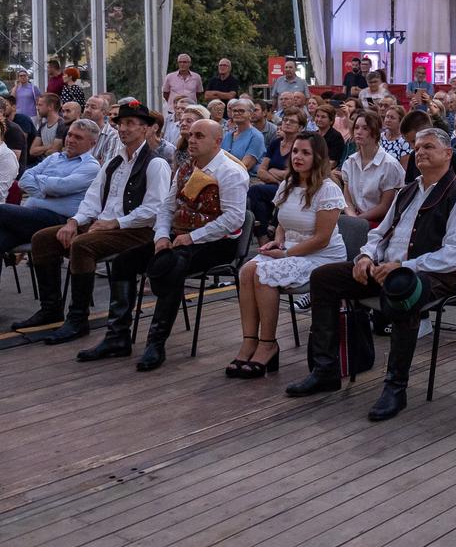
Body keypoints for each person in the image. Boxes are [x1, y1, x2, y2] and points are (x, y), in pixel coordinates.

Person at [285, 127, 456, 421]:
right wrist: (365, 257)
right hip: (386, 269)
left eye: (429, 147)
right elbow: (380, 234)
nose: (420, 152)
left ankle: (395, 387)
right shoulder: (409, 190)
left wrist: (403, 266)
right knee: (324, 277)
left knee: (402, 291)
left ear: (448, 153)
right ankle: (326, 369)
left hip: (431, 276)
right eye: (417, 147)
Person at [25, 102, 170, 346]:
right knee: (43, 238)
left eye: (131, 124)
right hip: (104, 225)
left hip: (138, 231)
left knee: (82, 245)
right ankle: (51, 309)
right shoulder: (114, 161)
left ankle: (78, 318)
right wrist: (74, 221)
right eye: (121, 123)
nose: (123, 128)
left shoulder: (156, 163)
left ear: (146, 129)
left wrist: (115, 223)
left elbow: (155, 209)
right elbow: (92, 198)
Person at [131, 119, 249, 372]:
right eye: (191, 135)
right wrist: (161, 236)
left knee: (172, 266)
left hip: (218, 243)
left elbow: (234, 219)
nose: (191, 140)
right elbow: (167, 206)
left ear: (217, 142)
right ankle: (116, 335)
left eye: (199, 136)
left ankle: (156, 342)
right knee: (125, 261)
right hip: (180, 237)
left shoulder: (231, 172)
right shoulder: (186, 168)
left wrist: (193, 237)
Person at [0, 119, 99, 328]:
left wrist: (43, 184)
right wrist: (48, 189)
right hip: (31, 216)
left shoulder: (91, 166)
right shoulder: (54, 157)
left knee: (0, 211)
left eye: (78, 137)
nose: (70, 140)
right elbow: (25, 178)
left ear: (92, 143)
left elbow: (62, 187)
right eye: (70, 135)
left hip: (59, 220)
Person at [230, 131, 344, 377]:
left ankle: (268, 344)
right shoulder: (287, 185)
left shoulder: (328, 190)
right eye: (295, 151)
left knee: (262, 275)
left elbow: (322, 239)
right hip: (290, 249)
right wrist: (278, 242)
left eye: (305, 153)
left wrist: (286, 253)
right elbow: (283, 222)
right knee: (247, 271)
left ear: (318, 157)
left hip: (321, 256)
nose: (297, 157)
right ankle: (250, 341)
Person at [341, 111, 405, 225]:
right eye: (356, 127)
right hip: (354, 218)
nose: (359, 132)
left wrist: (357, 220)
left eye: (365, 128)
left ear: (375, 133)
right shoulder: (349, 163)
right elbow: (347, 201)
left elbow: (384, 206)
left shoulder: (389, 165)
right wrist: (353, 218)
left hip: (380, 222)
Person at [249, 113, 301, 234]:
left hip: (291, 187)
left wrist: (272, 171)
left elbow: (293, 174)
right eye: (285, 119)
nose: (287, 123)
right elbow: (261, 171)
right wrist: (277, 180)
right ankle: (266, 234)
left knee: (255, 191)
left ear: (300, 127)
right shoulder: (276, 143)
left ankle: (262, 232)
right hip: (275, 185)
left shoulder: (299, 146)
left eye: (292, 121)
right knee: (261, 205)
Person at [223, 98, 266, 174]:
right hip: (224, 175)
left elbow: (245, 165)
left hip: (246, 177)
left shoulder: (256, 136)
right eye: (234, 111)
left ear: (251, 114)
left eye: (241, 111)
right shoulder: (228, 135)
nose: (237, 113)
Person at [28, 92, 64, 165]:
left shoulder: (61, 125)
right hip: (43, 164)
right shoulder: (43, 126)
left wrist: (41, 149)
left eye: (40, 105)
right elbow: (32, 151)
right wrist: (49, 146)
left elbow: (54, 151)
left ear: (50, 106)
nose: (37, 108)